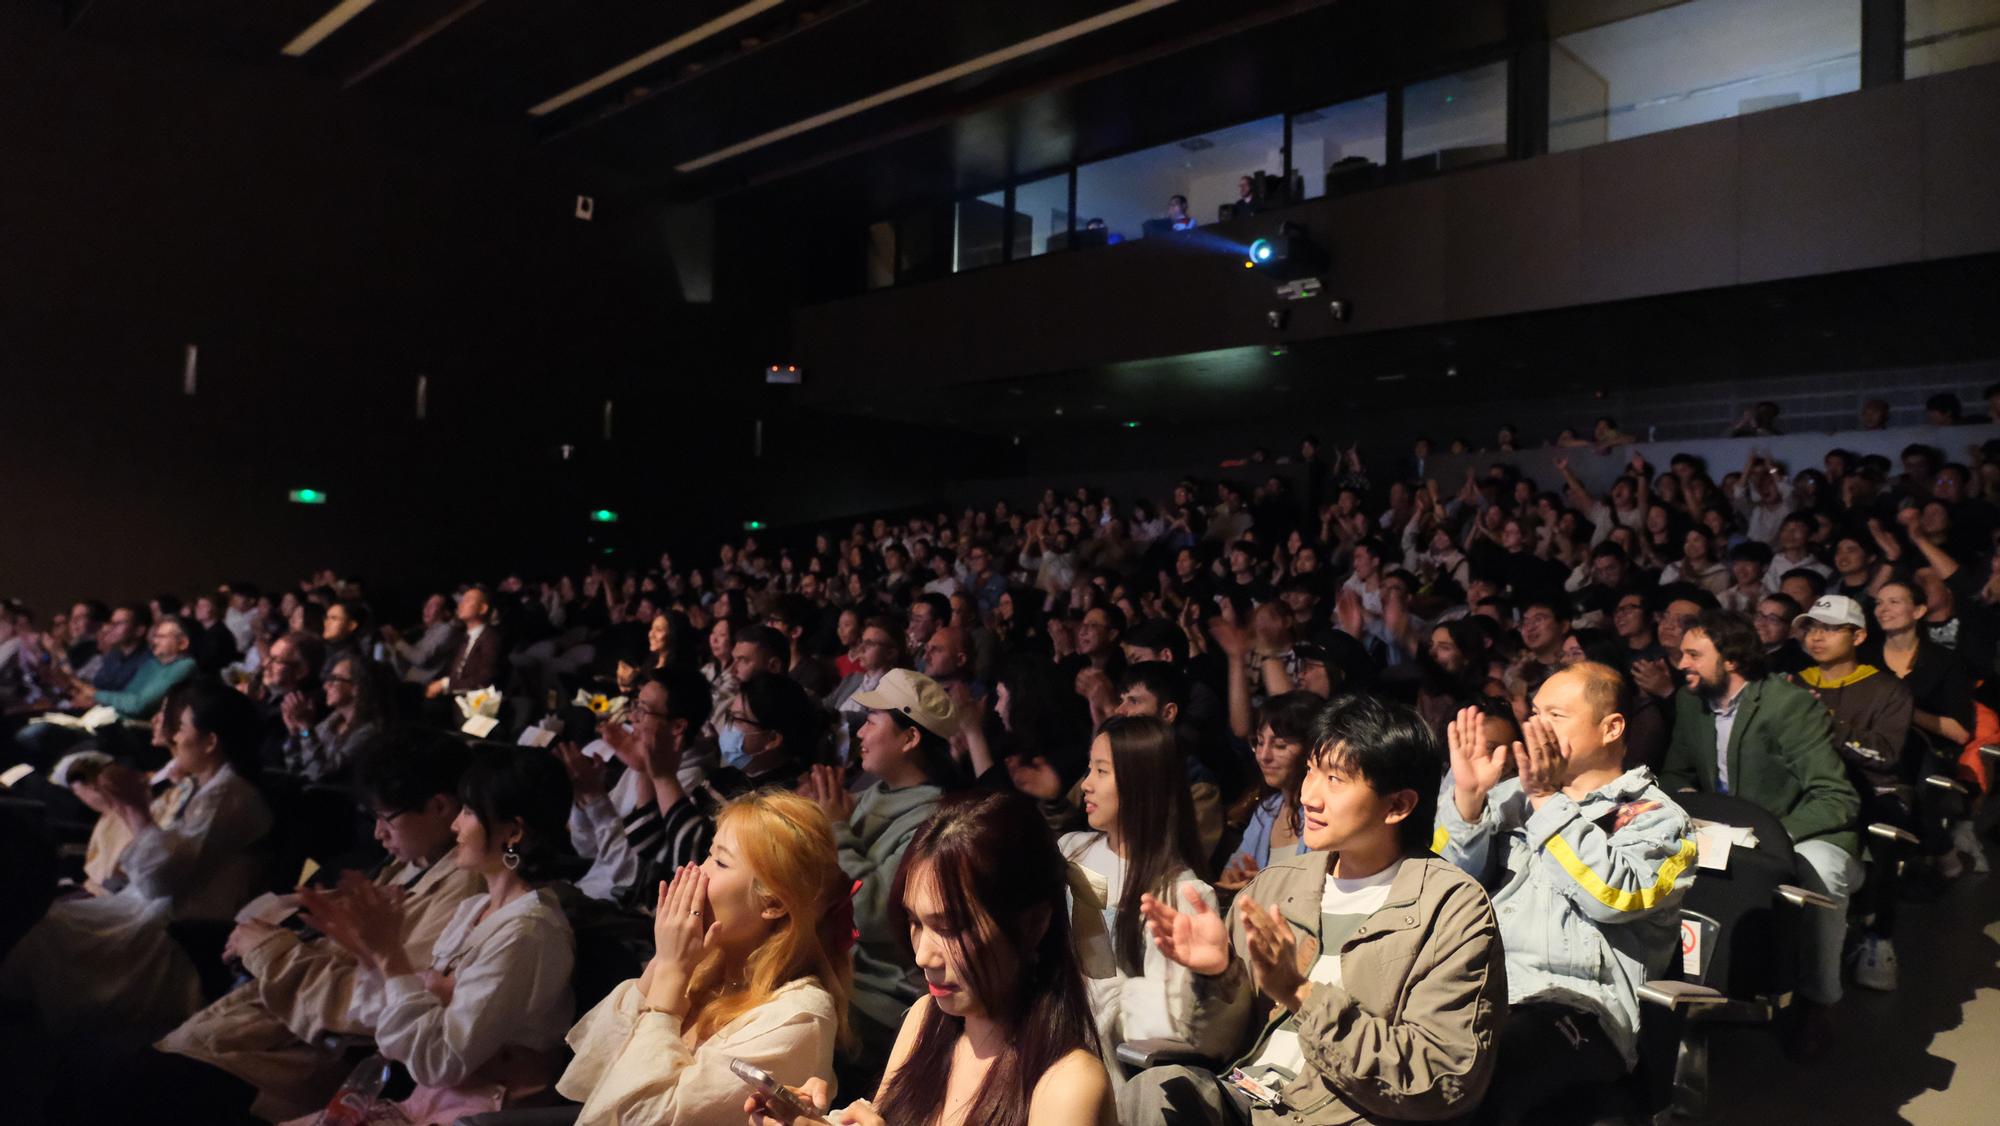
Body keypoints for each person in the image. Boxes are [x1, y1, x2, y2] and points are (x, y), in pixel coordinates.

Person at [1124, 693, 1504, 1124]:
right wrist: (1218, 976)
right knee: (1155, 1088)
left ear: (1398, 806)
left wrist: (1301, 994)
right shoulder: (1278, 884)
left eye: (1336, 780)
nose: (1309, 796)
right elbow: (1217, 1046)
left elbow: (1440, 1080)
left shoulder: (1451, 908)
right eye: (1310, 772)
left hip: (1343, 1115)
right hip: (1248, 1099)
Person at [138, 733, 482, 1123]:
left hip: (287, 1058)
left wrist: (272, 951)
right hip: (254, 1028)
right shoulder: (418, 858)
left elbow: (384, 1003)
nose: (377, 834)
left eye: (386, 819)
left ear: (439, 806)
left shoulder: (464, 888)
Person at [748, 789, 1115, 1126]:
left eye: (951, 928)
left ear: (1033, 923)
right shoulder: (926, 1019)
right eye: (915, 922)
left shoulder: (1069, 1084)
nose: (924, 956)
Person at [1437, 666, 1694, 1123]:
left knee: (1475, 1079)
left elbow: (1613, 896)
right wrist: (1468, 803)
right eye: (1533, 713)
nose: (1536, 727)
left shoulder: (1659, 818)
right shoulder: (1509, 793)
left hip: (1576, 1006)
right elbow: (1448, 890)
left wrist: (1545, 800)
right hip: (1478, 986)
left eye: (1555, 715)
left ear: (1612, 727)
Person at [290, 746, 575, 1123]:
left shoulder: (528, 931)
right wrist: (368, 953)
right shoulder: (475, 909)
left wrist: (391, 956)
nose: (456, 824)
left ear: (513, 832)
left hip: (475, 1115)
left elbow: (438, 1061)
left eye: (469, 812)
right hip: (426, 1105)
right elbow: (396, 1041)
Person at [1, 679, 272, 1045]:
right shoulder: (200, 786)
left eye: (180, 729)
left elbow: (161, 879)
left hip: (168, 934)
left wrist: (134, 809)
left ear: (210, 741)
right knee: (33, 920)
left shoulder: (232, 796)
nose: (173, 738)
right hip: (140, 909)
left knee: (35, 933)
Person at [559, 792, 855, 1125]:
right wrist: (662, 962)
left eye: (721, 862)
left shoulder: (799, 1017)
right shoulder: (705, 960)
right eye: (708, 854)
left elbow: (640, 1117)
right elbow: (593, 1072)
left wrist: (670, 977)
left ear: (773, 904)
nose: (696, 872)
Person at [1661, 609, 1860, 1056]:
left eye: (1693, 654)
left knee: (1823, 877)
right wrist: (1689, 798)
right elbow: (1673, 772)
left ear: (1731, 659)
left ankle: (1819, 1001)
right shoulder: (1690, 703)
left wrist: (1771, 836)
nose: (1681, 663)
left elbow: (1836, 798)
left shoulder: (1787, 705)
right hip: (1722, 830)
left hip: (1795, 828)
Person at [1062, 715, 1229, 1088]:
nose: (1086, 784)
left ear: (1142, 784)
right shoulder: (1071, 850)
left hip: (1103, 1071)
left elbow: (1160, 1025)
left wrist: (1085, 996)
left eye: (1101, 771)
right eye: (1090, 768)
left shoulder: (1180, 893)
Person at [805, 668, 957, 1071]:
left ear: (910, 738)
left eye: (872, 723)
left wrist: (835, 828)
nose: (859, 734)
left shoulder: (933, 821)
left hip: (877, 999)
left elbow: (874, 913)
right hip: (839, 971)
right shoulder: (875, 793)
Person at [1217, 691, 1320, 892]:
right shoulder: (1267, 811)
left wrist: (1266, 886)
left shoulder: (1323, 814)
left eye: (1280, 746)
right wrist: (1235, 880)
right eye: (1259, 742)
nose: (1263, 756)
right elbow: (1229, 875)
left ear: (1311, 749)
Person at [277, 653, 386, 781]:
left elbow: (319, 774)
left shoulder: (368, 731)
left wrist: (305, 726)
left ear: (357, 688)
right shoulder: (333, 720)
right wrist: (296, 732)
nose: (326, 685)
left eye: (335, 679)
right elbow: (295, 766)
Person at [426, 586, 503, 698]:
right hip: (457, 696)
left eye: (468, 600)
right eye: (461, 600)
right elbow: (456, 672)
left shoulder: (490, 638)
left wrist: (445, 684)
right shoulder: (464, 637)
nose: (461, 604)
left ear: (482, 608)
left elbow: (484, 681)